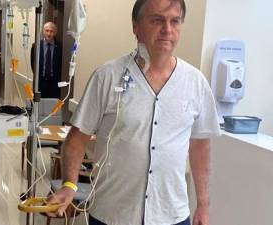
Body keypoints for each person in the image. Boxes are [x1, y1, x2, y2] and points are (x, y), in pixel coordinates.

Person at [47, 0, 220, 225]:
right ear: (136, 27)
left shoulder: (196, 83)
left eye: (175, 21)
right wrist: (69, 185)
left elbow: (200, 147)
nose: (167, 29)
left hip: (172, 215)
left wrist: (203, 206)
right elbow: (76, 140)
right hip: (113, 215)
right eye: (157, 20)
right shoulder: (107, 77)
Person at [30, 22, 62, 98]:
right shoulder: (36, 46)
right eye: (47, 31)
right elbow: (32, 63)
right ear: (43, 32)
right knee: (39, 105)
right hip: (40, 82)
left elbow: (60, 65)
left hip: (54, 83)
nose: (49, 34)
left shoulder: (60, 47)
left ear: (55, 33)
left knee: (52, 107)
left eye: (51, 31)